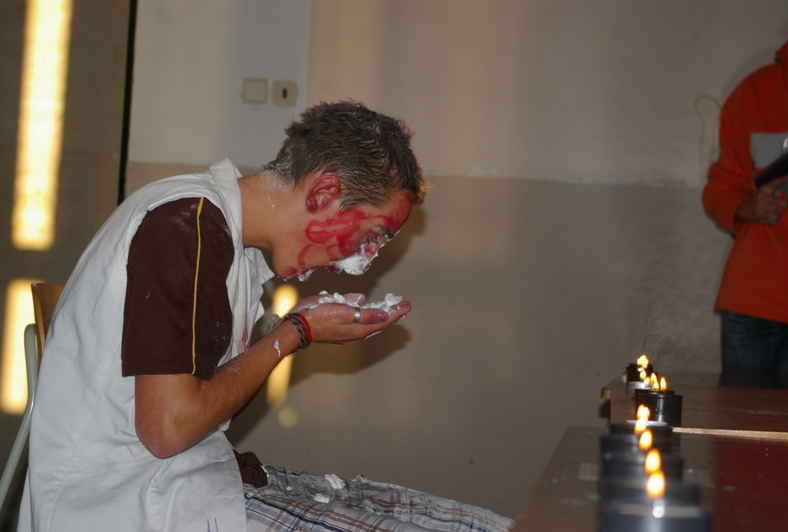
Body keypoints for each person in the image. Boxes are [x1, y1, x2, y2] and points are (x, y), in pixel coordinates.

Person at [18, 102, 512, 531]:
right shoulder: (185, 225)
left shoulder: (236, 248)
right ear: (323, 193)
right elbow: (169, 429)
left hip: (186, 482)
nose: (366, 260)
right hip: (128, 504)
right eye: (370, 236)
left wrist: (287, 327)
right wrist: (293, 334)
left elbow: (203, 405)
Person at [703, 4, 788, 388]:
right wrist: (747, 207)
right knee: (740, 422)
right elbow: (719, 189)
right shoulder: (756, 92)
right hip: (755, 304)